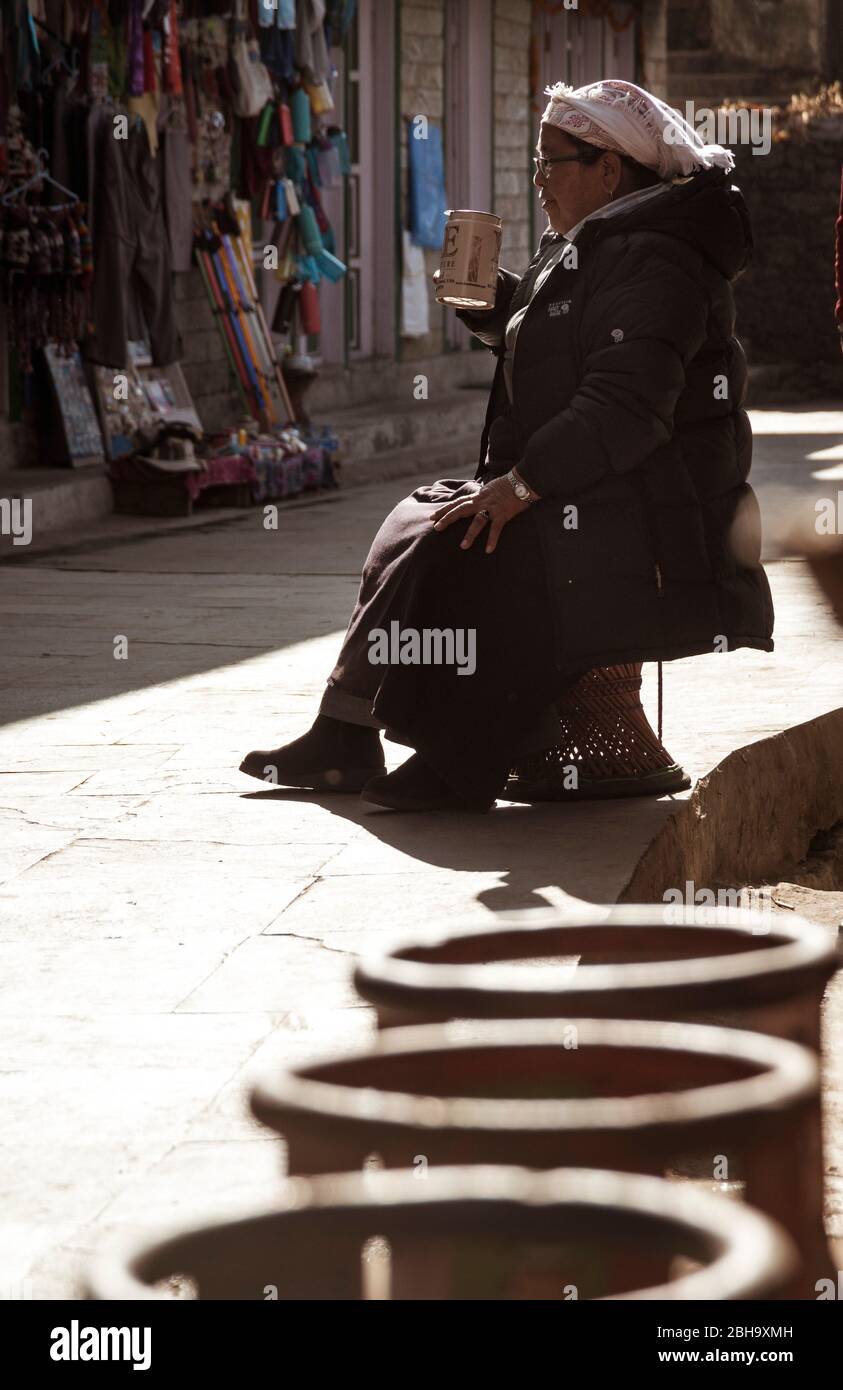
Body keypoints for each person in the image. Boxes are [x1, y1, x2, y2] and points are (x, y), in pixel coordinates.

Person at [241, 79, 774, 812]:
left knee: (468, 544)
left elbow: (623, 406)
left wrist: (521, 485)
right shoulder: (600, 243)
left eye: (550, 162)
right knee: (412, 523)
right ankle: (345, 731)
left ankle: (464, 756)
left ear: (608, 170)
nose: (537, 180)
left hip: (655, 514)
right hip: (597, 485)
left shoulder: (657, 257)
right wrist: (493, 304)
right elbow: (564, 347)